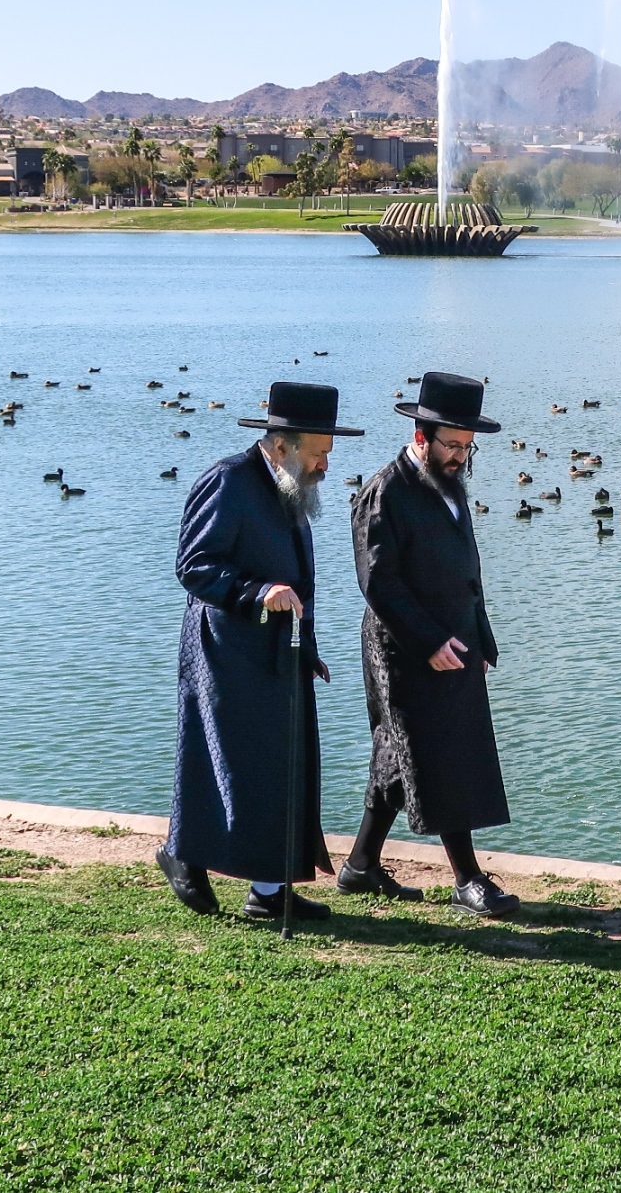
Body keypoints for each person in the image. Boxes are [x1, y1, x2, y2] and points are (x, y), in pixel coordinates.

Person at [155, 381, 361, 924]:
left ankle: (269, 892)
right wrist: (255, 593)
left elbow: (298, 579)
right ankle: (181, 853)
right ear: (280, 447)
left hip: (279, 650)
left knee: (280, 769)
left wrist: (308, 647)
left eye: (326, 455)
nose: (323, 466)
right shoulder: (229, 481)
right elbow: (193, 565)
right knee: (225, 763)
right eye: (317, 454)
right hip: (226, 649)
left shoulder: (292, 487)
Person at [340, 369, 519, 917]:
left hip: (456, 642)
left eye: (468, 447)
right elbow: (379, 584)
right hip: (405, 651)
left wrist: (480, 636)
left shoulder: (451, 485)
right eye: (453, 445)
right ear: (421, 436)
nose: (461, 456)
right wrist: (428, 642)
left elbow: (468, 569)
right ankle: (467, 879)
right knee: (439, 756)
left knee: (401, 755)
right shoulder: (384, 492)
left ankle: (360, 866)